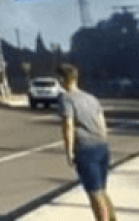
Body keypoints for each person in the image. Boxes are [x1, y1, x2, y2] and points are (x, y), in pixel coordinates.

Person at [57, 63, 117, 221]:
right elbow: (102, 123)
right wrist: (103, 141)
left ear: (62, 79)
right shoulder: (91, 98)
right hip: (101, 146)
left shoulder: (66, 98)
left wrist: (69, 151)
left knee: (94, 195)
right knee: (102, 191)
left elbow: (68, 125)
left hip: (86, 149)